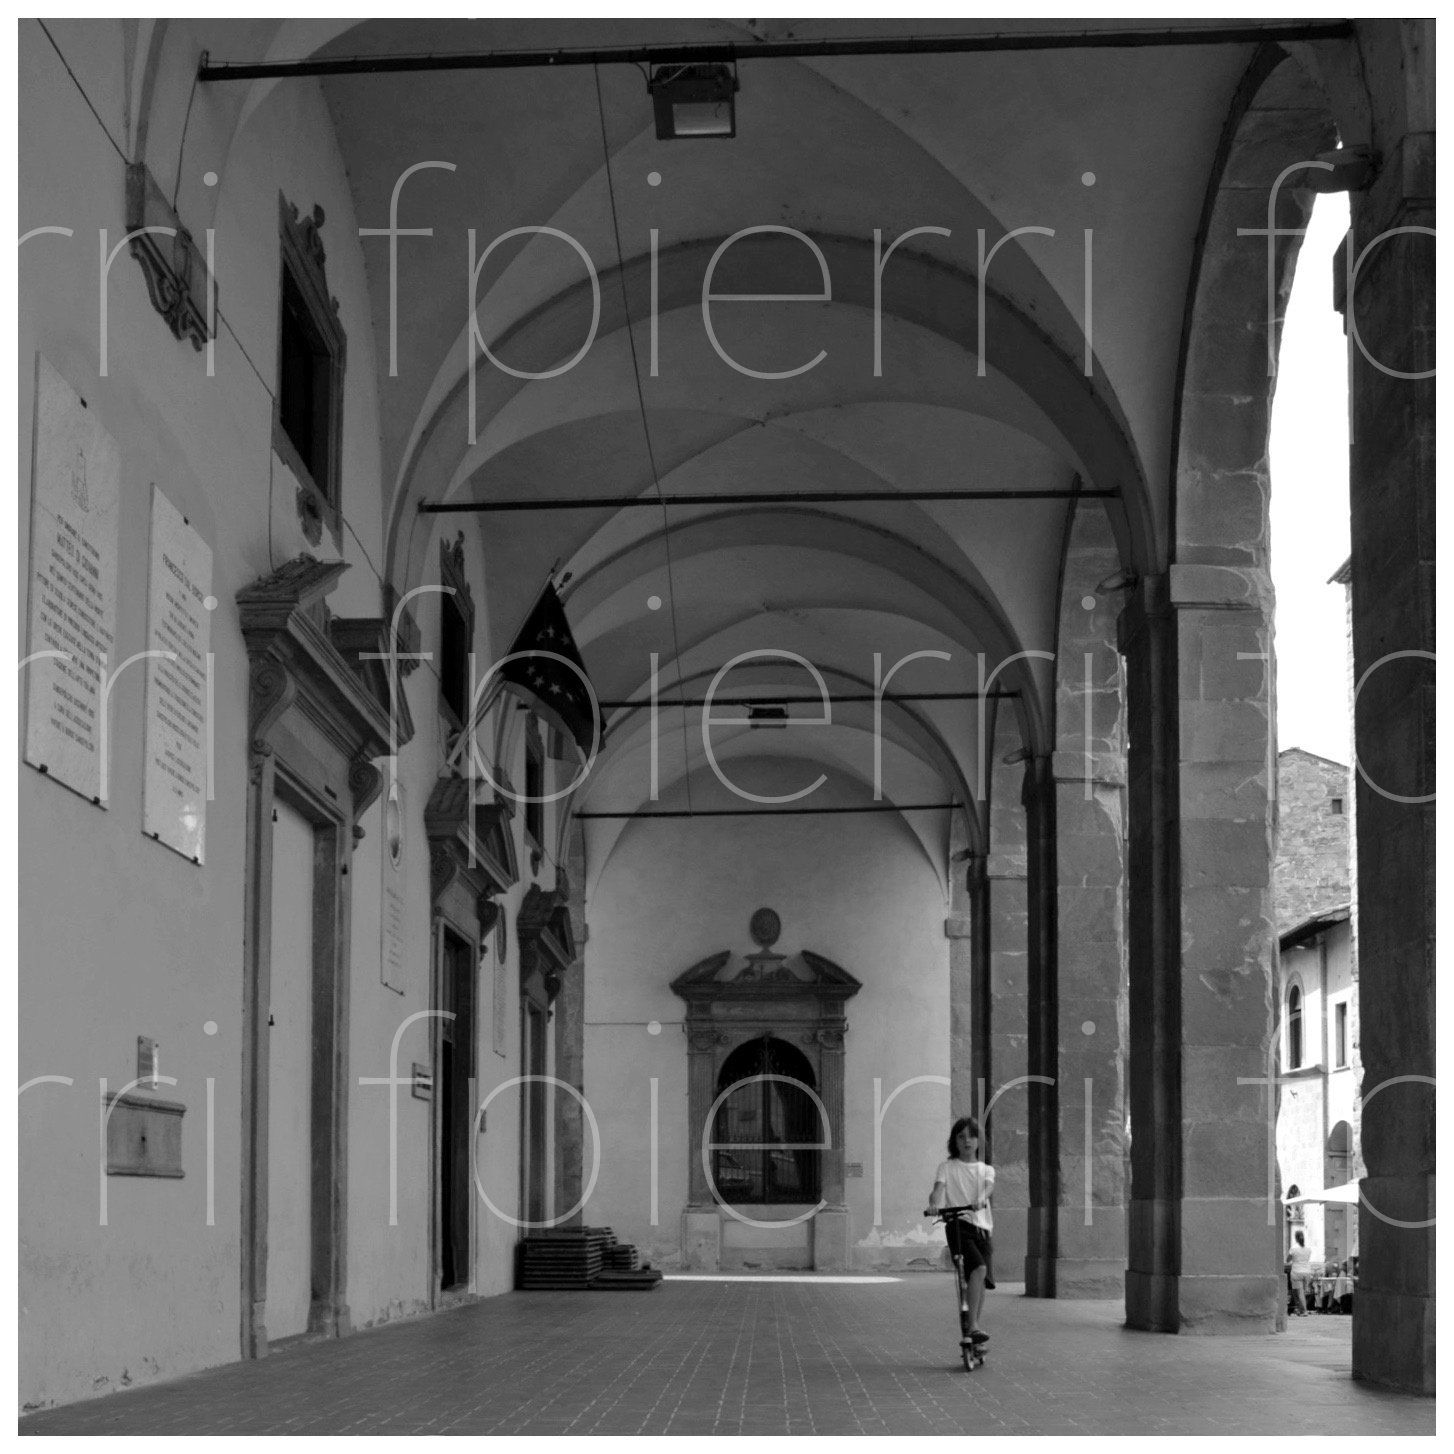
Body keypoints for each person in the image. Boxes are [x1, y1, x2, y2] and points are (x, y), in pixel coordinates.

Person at [926, 1116, 995, 1347]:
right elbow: (938, 1190)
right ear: (954, 1141)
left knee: (980, 1280)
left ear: (979, 1141)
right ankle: (972, 1327)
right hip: (958, 1225)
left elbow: (988, 1187)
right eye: (961, 1136)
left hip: (983, 1229)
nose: (967, 1140)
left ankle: (974, 1331)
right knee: (978, 1269)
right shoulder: (947, 1167)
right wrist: (934, 1204)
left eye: (972, 1136)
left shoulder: (986, 1169)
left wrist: (980, 1199)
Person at [1286, 1229, 1312, 1315]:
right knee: (1302, 1292)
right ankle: (1300, 1309)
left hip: (1297, 1271)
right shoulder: (1308, 1248)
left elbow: (1288, 1260)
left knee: (1299, 1292)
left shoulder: (1294, 1248)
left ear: (1295, 1238)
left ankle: (1304, 1310)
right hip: (1307, 1271)